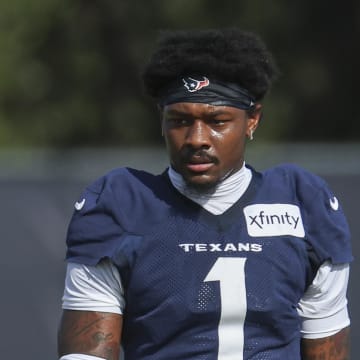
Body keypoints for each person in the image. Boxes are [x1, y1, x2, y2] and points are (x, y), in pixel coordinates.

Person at [57, 28, 352, 360]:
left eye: (218, 121)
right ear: (162, 119)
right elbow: (88, 353)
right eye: (180, 120)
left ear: (252, 119)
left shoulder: (303, 203)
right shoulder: (121, 204)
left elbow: (327, 351)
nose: (197, 138)